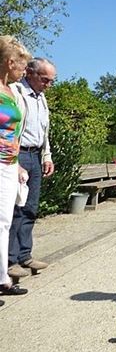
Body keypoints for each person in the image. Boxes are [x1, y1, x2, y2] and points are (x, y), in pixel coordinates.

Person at [8, 57, 56, 280]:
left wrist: (47, 156)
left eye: (51, 81)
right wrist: (15, 160)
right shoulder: (16, 92)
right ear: (30, 73)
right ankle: (10, 259)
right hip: (19, 155)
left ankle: (25, 254)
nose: (48, 84)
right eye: (44, 79)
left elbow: (44, 132)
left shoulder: (42, 98)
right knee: (15, 208)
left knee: (30, 208)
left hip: (36, 155)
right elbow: (11, 128)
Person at [0, 35, 33, 299]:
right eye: (22, 65)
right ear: (10, 62)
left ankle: (2, 278)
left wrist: (19, 164)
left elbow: (15, 133)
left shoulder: (12, 91)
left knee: (5, 221)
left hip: (10, 164)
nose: (24, 71)